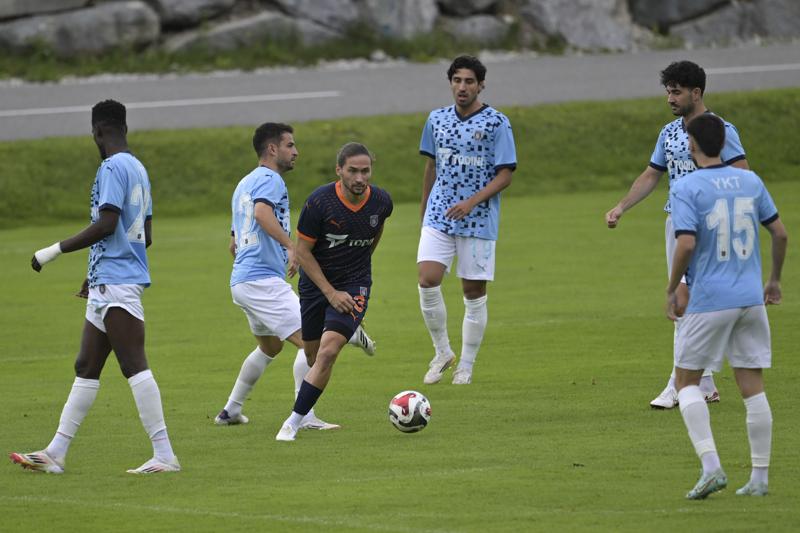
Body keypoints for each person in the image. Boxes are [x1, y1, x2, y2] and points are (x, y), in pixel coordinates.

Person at [9, 100, 179, 474]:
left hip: (117, 284)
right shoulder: (138, 168)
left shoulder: (112, 167)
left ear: (97, 132)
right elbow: (145, 235)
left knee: (133, 364)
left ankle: (165, 455)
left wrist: (52, 251)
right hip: (110, 280)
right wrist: (96, 270)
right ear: (124, 128)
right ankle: (56, 453)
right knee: (86, 365)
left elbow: (107, 223)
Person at [605, 60, 750, 409]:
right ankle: (705, 384)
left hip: (709, 227)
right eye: (668, 91)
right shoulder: (669, 133)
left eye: (676, 91)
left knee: (682, 300)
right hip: (677, 223)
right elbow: (652, 174)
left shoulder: (721, 131)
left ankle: (677, 384)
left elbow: (743, 175)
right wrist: (622, 206)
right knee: (690, 301)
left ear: (696, 93)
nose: (670, 98)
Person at [215, 124, 376, 431]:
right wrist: (292, 247)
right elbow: (262, 215)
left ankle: (231, 410)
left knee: (270, 348)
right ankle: (307, 416)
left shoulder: (245, 183)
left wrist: (270, 253)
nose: (295, 151)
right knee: (312, 342)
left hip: (243, 281)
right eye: (290, 145)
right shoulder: (271, 179)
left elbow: (234, 240)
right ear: (272, 149)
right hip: (261, 281)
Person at [665, 113, 786, 499]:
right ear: (724, 143)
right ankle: (760, 478)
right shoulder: (751, 181)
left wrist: (673, 287)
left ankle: (711, 468)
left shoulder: (686, 186)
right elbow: (780, 233)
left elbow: (686, 243)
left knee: (686, 383)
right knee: (752, 386)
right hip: (751, 299)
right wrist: (773, 280)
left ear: (692, 145)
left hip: (710, 300)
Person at [275, 142, 393, 442]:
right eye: (353, 171)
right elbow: (303, 252)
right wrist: (329, 293)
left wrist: (358, 270)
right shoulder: (319, 203)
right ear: (339, 170)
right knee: (312, 356)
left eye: (365, 171)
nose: (360, 178)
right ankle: (351, 333)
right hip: (316, 286)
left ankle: (292, 423)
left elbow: (374, 233)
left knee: (328, 353)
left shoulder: (381, 201)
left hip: (355, 283)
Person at [417, 55, 517, 386]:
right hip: (438, 215)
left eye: (469, 81)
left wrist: (471, 202)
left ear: (481, 85)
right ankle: (442, 352)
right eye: (457, 80)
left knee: (472, 292)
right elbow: (431, 166)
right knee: (427, 279)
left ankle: (466, 365)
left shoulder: (496, 123)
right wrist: (424, 212)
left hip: (478, 219)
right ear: (450, 83)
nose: (462, 87)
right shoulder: (436, 119)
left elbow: (505, 174)